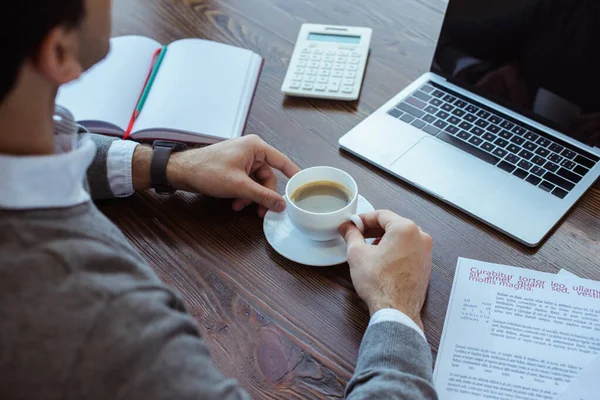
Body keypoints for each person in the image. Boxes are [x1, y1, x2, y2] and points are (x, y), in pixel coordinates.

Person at [0, 1, 438, 399]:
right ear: (58, 53)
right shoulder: (99, 318)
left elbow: (48, 141)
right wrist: (396, 312)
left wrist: (163, 165)